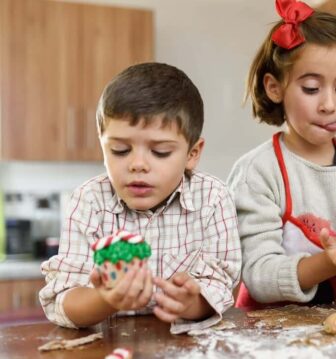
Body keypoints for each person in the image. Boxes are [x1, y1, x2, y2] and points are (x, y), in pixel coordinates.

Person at [227, 0, 336, 308]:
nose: (329, 105)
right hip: (265, 335)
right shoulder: (257, 171)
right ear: (274, 87)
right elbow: (258, 274)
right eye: (311, 88)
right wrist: (333, 262)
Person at [39, 63, 241, 334]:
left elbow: (221, 282)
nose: (137, 165)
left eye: (160, 152)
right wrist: (105, 299)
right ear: (102, 145)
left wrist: (191, 304)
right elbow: (62, 300)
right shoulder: (89, 201)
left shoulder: (213, 198)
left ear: (192, 153)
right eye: (120, 150)